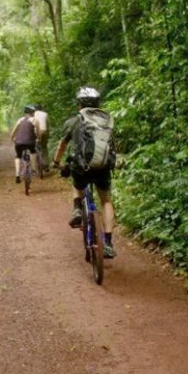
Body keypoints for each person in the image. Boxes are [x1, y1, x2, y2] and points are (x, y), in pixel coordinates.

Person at [53, 87, 117, 258]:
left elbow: (62, 145)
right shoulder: (106, 120)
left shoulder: (74, 122)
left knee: (77, 183)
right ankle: (108, 242)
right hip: (102, 167)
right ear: (98, 104)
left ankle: (76, 209)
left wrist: (56, 163)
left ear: (79, 104)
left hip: (81, 168)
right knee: (106, 201)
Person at [10, 106, 37, 184]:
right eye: (33, 112)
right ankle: (33, 170)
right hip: (30, 142)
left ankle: (17, 175)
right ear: (32, 113)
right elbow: (37, 132)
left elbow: (13, 132)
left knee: (18, 156)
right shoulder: (34, 120)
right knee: (33, 151)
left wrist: (12, 138)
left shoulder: (19, 120)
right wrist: (38, 138)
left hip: (18, 142)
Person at [31, 103, 50, 172]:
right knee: (44, 148)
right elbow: (47, 125)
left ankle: (35, 164)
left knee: (33, 148)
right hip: (43, 132)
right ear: (41, 108)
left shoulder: (32, 114)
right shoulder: (45, 114)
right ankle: (46, 165)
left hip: (35, 132)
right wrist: (48, 135)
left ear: (34, 109)